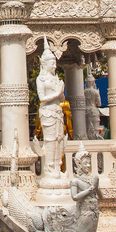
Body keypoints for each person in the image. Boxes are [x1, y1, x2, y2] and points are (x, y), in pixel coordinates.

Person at [36, 37, 65, 177]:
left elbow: (62, 98)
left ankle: (57, 166)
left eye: (55, 63)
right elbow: (42, 98)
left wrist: (61, 92)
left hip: (57, 111)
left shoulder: (55, 78)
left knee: (59, 139)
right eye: (52, 63)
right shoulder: (41, 79)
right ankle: (49, 167)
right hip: (47, 112)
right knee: (50, 140)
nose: (54, 66)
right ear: (44, 64)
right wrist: (56, 94)